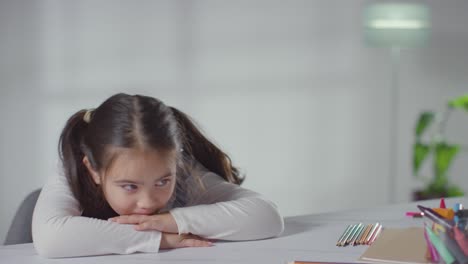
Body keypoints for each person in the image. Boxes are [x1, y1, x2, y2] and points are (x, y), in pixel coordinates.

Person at [32, 93, 284, 258]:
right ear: (94, 171)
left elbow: (267, 216)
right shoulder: (72, 169)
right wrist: (162, 239)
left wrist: (172, 221)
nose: (149, 201)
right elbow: (50, 238)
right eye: (130, 186)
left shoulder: (185, 172)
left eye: (163, 181)